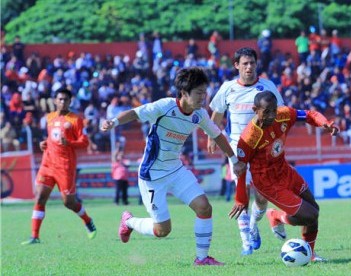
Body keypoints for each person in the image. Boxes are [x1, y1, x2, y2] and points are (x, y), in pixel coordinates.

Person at [100, 67, 246, 266]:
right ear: (184, 93)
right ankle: (129, 221)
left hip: (176, 170)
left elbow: (218, 136)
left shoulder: (200, 115)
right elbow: (135, 113)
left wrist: (235, 161)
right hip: (152, 175)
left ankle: (202, 259)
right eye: (199, 93)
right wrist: (114, 121)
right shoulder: (165, 106)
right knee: (163, 230)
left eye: (205, 92)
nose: (203, 97)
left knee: (204, 207)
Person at [229, 91, 339, 262]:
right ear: (255, 110)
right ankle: (276, 216)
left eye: (274, 110)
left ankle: (309, 254)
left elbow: (309, 115)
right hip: (267, 182)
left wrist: (325, 123)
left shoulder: (283, 115)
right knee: (309, 215)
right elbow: (241, 169)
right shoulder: (248, 138)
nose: (272, 115)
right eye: (267, 112)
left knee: (314, 209)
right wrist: (241, 198)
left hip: (284, 170)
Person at [208, 47, 284, 255]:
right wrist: (211, 136)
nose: (249, 67)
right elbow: (216, 114)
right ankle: (246, 243)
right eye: (245, 63)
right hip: (237, 149)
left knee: (261, 197)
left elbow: (280, 114)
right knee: (242, 193)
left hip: (262, 149)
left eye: (252, 63)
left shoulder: (267, 87)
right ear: (237, 65)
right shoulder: (228, 88)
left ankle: (253, 225)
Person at [22, 88, 96, 245]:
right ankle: (34, 236)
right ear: (55, 101)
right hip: (47, 163)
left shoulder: (76, 120)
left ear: (70, 102)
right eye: (60, 99)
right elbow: (52, 138)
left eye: (66, 100)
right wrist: (45, 144)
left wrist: (69, 143)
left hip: (65, 166)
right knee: (40, 197)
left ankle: (87, 220)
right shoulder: (49, 118)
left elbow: (84, 142)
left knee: (69, 202)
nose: (63, 102)